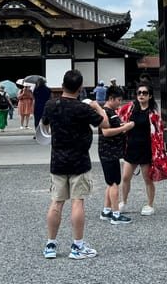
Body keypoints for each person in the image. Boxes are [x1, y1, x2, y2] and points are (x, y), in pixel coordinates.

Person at [41, 69, 109, 260]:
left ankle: (50, 244)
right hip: (79, 160)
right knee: (77, 201)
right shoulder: (82, 108)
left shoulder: (50, 105)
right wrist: (98, 107)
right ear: (80, 88)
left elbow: (44, 125)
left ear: (62, 85)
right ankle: (78, 245)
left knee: (57, 201)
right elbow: (105, 125)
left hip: (58, 159)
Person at [118, 81, 167, 216]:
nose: (141, 95)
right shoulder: (130, 109)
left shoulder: (153, 114)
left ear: (150, 96)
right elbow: (117, 115)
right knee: (125, 177)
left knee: (147, 179)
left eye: (145, 93)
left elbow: (158, 134)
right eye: (139, 93)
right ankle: (123, 202)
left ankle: (150, 204)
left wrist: (158, 153)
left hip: (146, 150)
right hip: (131, 148)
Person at [98, 85, 135, 225]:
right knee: (114, 183)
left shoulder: (110, 112)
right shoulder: (105, 112)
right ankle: (115, 214)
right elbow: (106, 132)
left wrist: (122, 126)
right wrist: (125, 127)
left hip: (110, 151)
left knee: (110, 182)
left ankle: (106, 210)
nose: (120, 102)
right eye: (119, 100)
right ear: (111, 98)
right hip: (109, 152)